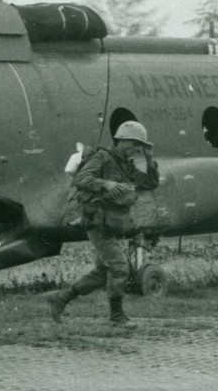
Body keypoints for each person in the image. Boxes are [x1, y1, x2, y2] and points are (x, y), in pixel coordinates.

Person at [47, 121, 159, 326]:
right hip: (97, 223)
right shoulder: (102, 157)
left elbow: (150, 183)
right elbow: (81, 179)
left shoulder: (127, 165)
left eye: (140, 146)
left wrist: (149, 158)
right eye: (135, 144)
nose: (137, 150)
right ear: (123, 140)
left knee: (103, 272)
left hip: (113, 225)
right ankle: (116, 316)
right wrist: (105, 184)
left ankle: (61, 298)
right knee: (119, 267)